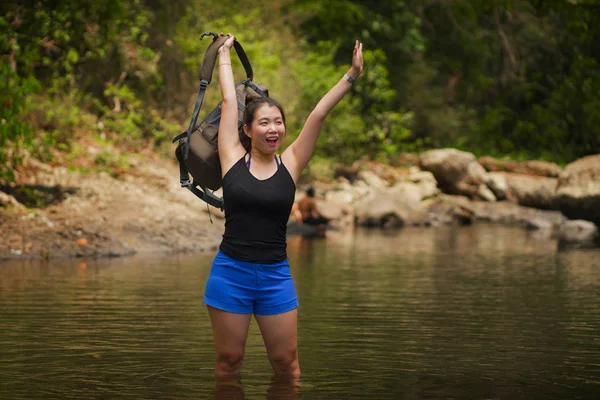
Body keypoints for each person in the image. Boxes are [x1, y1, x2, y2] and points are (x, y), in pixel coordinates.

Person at [203, 33, 363, 381]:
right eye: (264, 122)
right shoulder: (232, 157)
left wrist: (350, 75)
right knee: (229, 364)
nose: (273, 128)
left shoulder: (290, 163)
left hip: (275, 277)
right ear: (247, 130)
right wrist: (224, 54)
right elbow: (230, 100)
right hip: (231, 273)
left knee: (287, 366)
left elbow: (319, 114)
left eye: (278, 122)